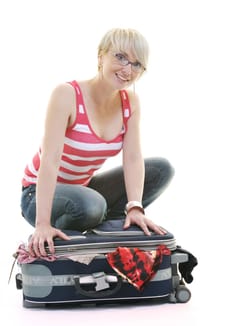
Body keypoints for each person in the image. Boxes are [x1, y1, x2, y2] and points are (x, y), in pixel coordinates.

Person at [21, 28, 174, 258]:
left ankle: (109, 230)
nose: (127, 69)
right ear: (101, 56)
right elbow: (50, 160)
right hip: (37, 195)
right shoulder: (66, 94)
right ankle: (61, 236)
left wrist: (135, 206)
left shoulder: (130, 102)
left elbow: (132, 157)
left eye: (136, 64)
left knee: (161, 170)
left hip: (84, 190)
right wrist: (42, 222)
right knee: (92, 205)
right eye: (120, 57)